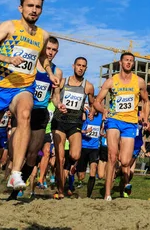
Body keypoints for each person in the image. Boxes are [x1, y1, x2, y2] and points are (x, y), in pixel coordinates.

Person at [0, 0, 59, 191]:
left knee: (24, 115)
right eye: (30, 5)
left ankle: (15, 174)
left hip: (23, 87)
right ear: (21, 8)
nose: (34, 10)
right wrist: (7, 59)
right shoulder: (9, 26)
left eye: (38, 6)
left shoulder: (43, 35)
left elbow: (42, 58)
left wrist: (49, 72)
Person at [4, 37, 62, 199]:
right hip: (23, 111)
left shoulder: (57, 72)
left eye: (54, 50)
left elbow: (55, 97)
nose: (50, 52)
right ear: (43, 48)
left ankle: (15, 193)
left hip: (40, 113)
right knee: (13, 151)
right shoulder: (31, 65)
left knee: (32, 155)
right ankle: (11, 177)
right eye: (48, 48)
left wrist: (60, 105)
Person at [93, 52, 150, 201]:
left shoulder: (139, 82)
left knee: (125, 161)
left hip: (130, 123)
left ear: (133, 64)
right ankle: (107, 194)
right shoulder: (111, 81)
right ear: (121, 62)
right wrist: (103, 110)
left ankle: (116, 176)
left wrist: (145, 116)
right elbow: (97, 101)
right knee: (112, 156)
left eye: (131, 61)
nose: (129, 63)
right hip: (114, 120)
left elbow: (147, 101)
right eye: (126, 60)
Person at [51, 56, 94, 199]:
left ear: (86, 68)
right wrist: (58, 104)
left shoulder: (88, 86)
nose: (81, 68)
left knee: (75, 155)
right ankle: (60, 189)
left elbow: (93, 103)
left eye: (83, 66)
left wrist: (92, 112)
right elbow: (55, 97)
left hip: (75, 123)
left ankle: (67, 171)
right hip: (59, 121)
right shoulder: (63, 82)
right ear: (73, 66)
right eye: (78, 65)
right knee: (60, 158)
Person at [77, 106, 104, 198]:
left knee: (93, 169)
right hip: (84, 146)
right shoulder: (86, 115)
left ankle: (89, 196)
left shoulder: (100, 116)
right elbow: (77, 130)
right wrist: (85, 131)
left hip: (95, 147)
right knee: (81, 176)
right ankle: (77, 168)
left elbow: (103, 125)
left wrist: (102, 132)